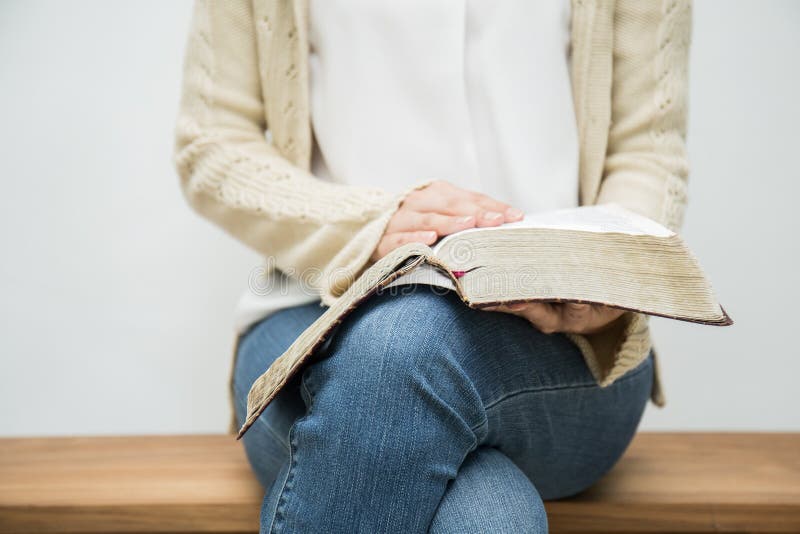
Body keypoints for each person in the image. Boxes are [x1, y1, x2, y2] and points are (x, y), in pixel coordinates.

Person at [173, 0, 691, 531]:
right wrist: (366, 223)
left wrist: (603, 274)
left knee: (403, 345)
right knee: (490, 517)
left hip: (570, 347)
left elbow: (646, 151)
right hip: (308, 314)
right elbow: (211, 145)